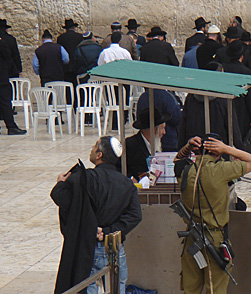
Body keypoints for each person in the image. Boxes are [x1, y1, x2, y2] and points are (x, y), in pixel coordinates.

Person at [50, 136, 142, 294]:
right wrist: (109, 231)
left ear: (100, 155)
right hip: (115, 247)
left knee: (88, 287)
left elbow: (63, 199)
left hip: (89, 247)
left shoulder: (86, 179)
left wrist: (60, 184)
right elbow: (135, 215)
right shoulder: (127, 183)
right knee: (117, 288)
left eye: (94, 146)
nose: (91, 149)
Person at [174, 133, 251, 294]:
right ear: (217, 151)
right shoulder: (221, 170)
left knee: (190, 289)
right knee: (216, 289)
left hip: (191, 239)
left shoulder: (185, 170)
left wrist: (188, 147)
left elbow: (177, 161)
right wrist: (227, 149)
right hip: (214, 239)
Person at [117, 107, 170, 181]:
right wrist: (130, 179)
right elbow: (117, 168)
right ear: (154, 130)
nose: (164, 132)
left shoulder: (163, 144)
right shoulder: (129, 145)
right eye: (162, 128)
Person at [221, 42, 251, 140]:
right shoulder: (245, 71)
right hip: (241, 108)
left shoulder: (222, 68)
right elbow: (250, 97)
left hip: (224, 106)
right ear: (242, 56)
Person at [57, 18, 83, 87]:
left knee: (68, 88)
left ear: (66, 29)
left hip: (66, 67)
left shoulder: (61, 38)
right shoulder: (80, 37)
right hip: (78, 66)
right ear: (74, 28)